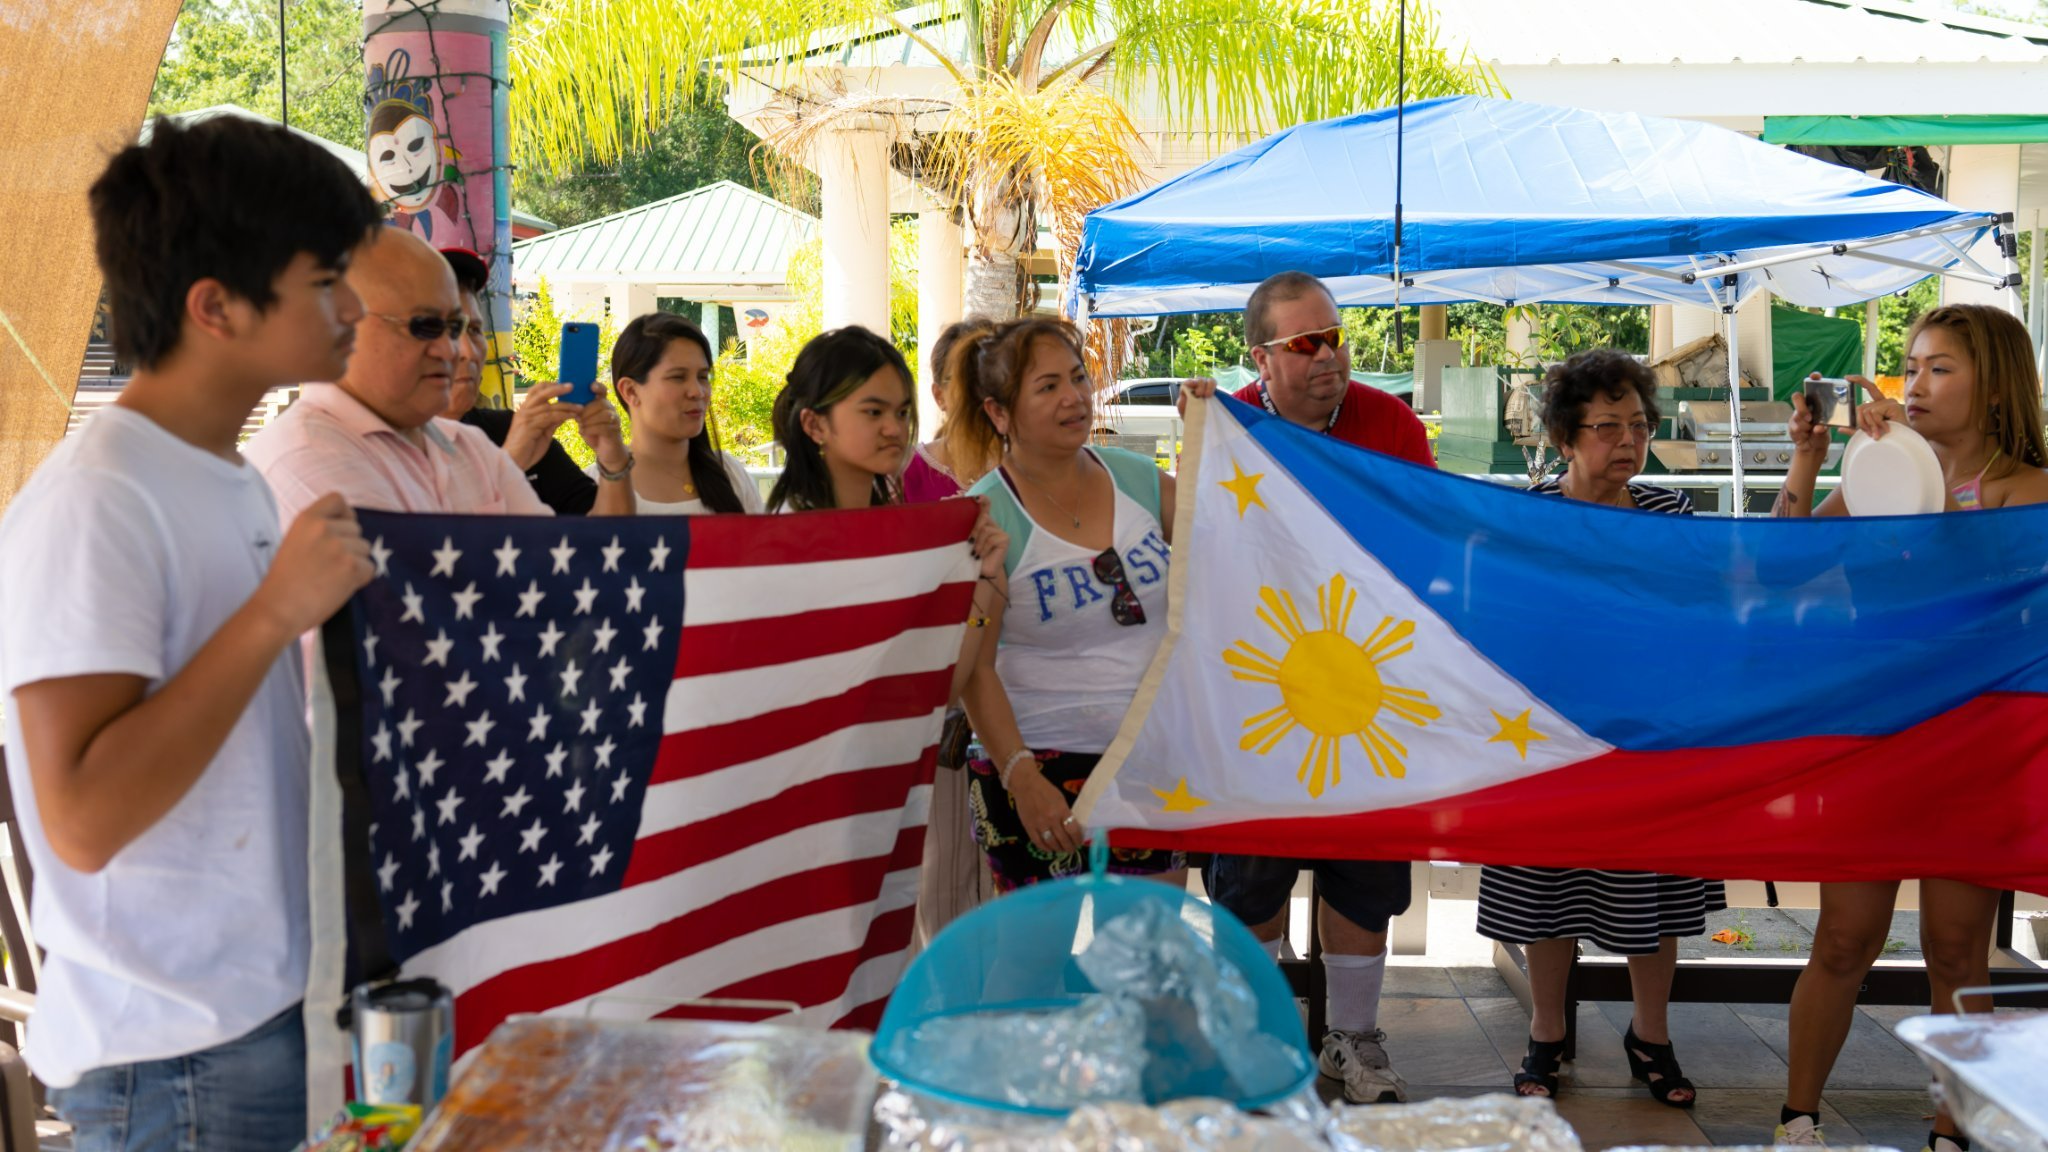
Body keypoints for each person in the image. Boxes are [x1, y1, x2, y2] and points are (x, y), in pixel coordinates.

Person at [0, 114, 379, 1150]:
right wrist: (274, 615)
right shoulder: (98, 499)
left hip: (257, 1015)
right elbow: (80, 818)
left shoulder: (230, 476)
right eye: (323, 280)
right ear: (216, 305)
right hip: (170, 1056)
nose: (353, 309)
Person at [1772, 303, 2048, 1152]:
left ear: (1994, 383)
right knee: (1844, 939)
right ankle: (1797, 1118)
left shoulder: (2030, 489)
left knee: (1958, 949)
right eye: (1912, 366)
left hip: (1975, 744)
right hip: (1878, 733)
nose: (1915, 385)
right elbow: (1790, 565)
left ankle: (1951, 1129)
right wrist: (1815, 460)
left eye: (1940, 369)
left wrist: (1911, 476)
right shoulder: (1882, 469)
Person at [1176, 271, 1432, 1104]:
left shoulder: (1390, 424)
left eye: (1335, 335)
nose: (1329, 356)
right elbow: (1195, 551)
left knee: (1368, 876)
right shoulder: (1231, 429)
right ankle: (1255, 1044)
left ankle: (1352, 1041)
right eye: (1305, 343)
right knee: (1249, 881)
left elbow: (1428, 544)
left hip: (1370, 691)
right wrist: (1195, 440)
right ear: (1262, 358)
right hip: (1264, 700)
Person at [1477, 348, 1722, 1109]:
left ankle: (1652, 1035)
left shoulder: (1672, 519)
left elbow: (1706, 609)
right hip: (1549, 736)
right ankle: (1546, 1035)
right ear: (1563, 435)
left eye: (1639, 425)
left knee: (1655, 890)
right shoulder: (1523, 520)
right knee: (1545, 887)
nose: (1627, 441)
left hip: (1649, 737)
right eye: (1607, 426)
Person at [950, 318, 1186, 892]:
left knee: (1144, 965)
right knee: (1036, 967)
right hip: (1037, 768)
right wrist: (1020, 775)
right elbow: (975, 669)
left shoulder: (1139, 480)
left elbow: (1236, 549)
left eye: (1078, 378)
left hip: (1150, 762)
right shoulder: (984, 516)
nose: (1074, 397)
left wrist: (1212, 433)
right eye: (1048, 386)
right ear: (999, 414)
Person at [246, 226, 633, 521]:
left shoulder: (470, 446)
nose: (455, 350)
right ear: (344, 323)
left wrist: (613, 461)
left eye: (464, 328)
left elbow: (579, 561)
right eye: (425, 325)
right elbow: (426, 603)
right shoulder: (305, 457)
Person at [767, 326, 1009, 705]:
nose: (894, 428)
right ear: (815, 425)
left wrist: (983, 580)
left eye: (901, 412)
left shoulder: (894, 529)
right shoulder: (790, 539)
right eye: (873, 411)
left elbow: (933, 693)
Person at [435, 246, 605, 515]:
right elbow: (436, 546)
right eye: (446, 330)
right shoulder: (376, 450)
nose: (467, 352)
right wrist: (511, 462)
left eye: (475, 330)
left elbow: (605, 535)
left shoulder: (509, 429)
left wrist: (613, 459)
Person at [605, 312, 763, 514]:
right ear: (630, 391)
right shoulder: (598, 485)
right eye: (678, 377)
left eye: (703, 376)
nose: (697, 391)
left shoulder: (729, 473)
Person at [906, 316, 999, 502]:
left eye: (993, 377)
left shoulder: (1027, 470)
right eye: (966, 380)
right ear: (939, 395)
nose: (982, 391)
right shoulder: (906, 472)